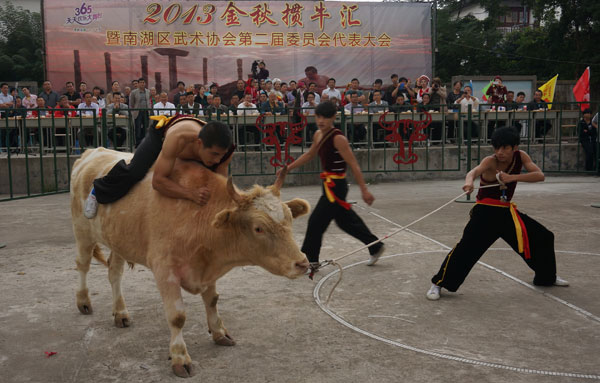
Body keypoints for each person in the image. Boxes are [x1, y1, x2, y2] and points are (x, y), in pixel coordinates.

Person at [426, 127, 569, 301]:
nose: (500, 152)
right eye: (497, 148)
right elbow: (474, 172)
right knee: (466, 249)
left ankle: (547, 278)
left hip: (506, 213)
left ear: (514, 147)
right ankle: (438, 283)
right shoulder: (490, 161)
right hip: (485, 213)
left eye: (505, 148)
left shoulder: (521, 156)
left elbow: (539, 175)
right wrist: (468, 183)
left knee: (544, 236)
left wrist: (512, 178)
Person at [281, 101, 385, 272]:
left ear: (333, 118)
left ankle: (310, 261)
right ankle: (375, 246)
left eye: (326, 117)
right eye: (318, 117)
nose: (321, 121)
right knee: (346, 222)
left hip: (336, 186)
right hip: (327, 184)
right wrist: (288, 168)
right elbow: (309, 154)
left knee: (316, 222)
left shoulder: (338, 138)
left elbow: (353, 165)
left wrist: (364, 190)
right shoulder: (317, 134)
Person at [84, 118, 235, 219]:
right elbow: (158, 182)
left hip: (196, 137)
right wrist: (191, 194)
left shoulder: (225, 151)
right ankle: (97, 191)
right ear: (200, 143)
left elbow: (220, 186)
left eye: (220, 156)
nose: (217, 160)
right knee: (135, 171)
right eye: (214, 154)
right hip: (161, 134)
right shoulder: (178, 138)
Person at [129, 78, 151, 146]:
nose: (142, 84)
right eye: (141, 82)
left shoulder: (148, 91)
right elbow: (132, 103)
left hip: (146, 111)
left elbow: (148, 101)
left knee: (146, 127)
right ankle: (138, 143)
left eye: (143, 82)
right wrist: (134, 109)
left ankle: (144, 142)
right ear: (138, 84)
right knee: (137, 127)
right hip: (138, 112)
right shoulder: (134, 92)